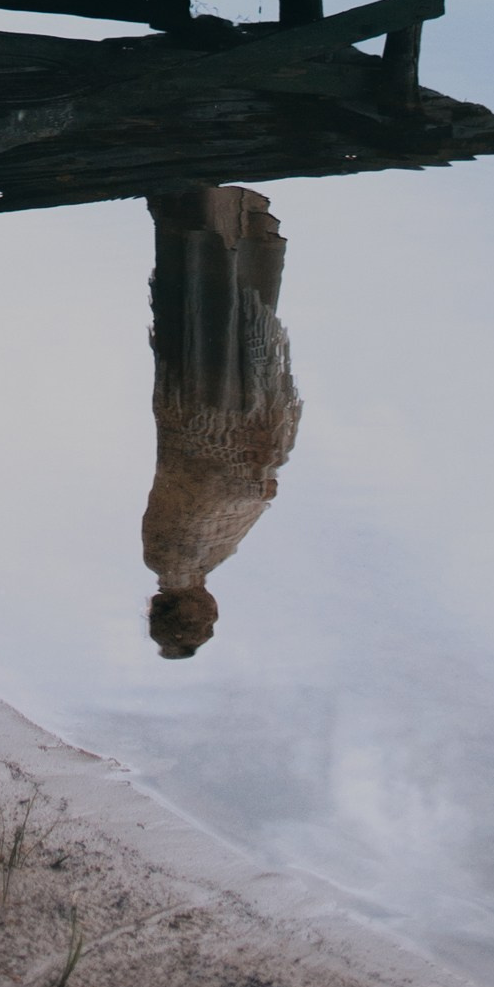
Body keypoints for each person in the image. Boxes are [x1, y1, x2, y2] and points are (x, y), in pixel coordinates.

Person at [140, 186, 302, 660]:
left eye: (200, 621)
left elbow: (195, 491)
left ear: (180, 610)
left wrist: (250, 488)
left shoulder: (171, 559)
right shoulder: (196, 565)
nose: (212, 614)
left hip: (209, 420)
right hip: (231, 431)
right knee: (232, 318)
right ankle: (215, 215)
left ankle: (204, 211)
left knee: (215, 312)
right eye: (210, 622)